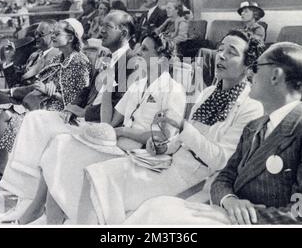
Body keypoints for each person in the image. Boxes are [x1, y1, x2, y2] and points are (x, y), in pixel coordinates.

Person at [74, 30, 265, 225]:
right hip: (170, 162)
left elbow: (222, 161)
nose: (221, 55)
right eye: (220, 49)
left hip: (196, 179)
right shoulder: (208, 92)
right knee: (96, 174)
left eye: (232, 52)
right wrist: (164, 146)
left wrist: (182, 127)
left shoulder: (251, 107)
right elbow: (182, 140)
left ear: (248, 65)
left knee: (102, 182)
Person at [0, 34, 186, 225]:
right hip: (118, 143)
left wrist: (123, 132)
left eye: (144, 49)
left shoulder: (173, 89)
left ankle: (42, 214)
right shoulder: (138, 85)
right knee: (60, 143)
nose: (138, 52)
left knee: (65, 150)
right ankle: (46, 214)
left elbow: (164, 136)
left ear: (160, 58)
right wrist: (108, 89)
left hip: (141, 155)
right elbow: (109, 122)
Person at [125, 42, 302, 225]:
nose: (251, 73)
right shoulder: (255, 126)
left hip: (251, 222)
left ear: (275, 75)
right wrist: (229, 200)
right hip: (223, 209)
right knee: (154, 209)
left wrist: (242, 216)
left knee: (158, 216)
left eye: (257, 67)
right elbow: (225, 177)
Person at [0, 10, 136, 223]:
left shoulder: (131, 61)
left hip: (98, 126)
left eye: (108, 26)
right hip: (80, 116)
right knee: (35, 119)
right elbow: (86, 90)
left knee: (48, 135)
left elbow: (119, 105)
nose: (101, 30)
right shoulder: (105, 55)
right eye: (101, 25)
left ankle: (32, 203)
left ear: (123, 32)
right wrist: (73, 107)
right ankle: (25, 198)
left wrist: (84, 112)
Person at [0, 18, 90, 208]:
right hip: (38, 106)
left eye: (57, 33)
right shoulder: (57, 58)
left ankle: (1, 173)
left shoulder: (80, 61)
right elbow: (34, 84)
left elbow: (76, 100)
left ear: (71, 37)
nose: (53, 36)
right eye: (53, 33)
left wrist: (50, 91)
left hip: (58, 114)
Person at [0, 21, 60, 112]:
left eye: (40, 34)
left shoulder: (55, 58)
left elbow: (37, 88)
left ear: (53, 35)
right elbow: (14, 82)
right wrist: (9, 59)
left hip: (27, 105)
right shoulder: (35, 55)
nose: (36, 37)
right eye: (36, 34)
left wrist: (8, 92)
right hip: (15, 98)